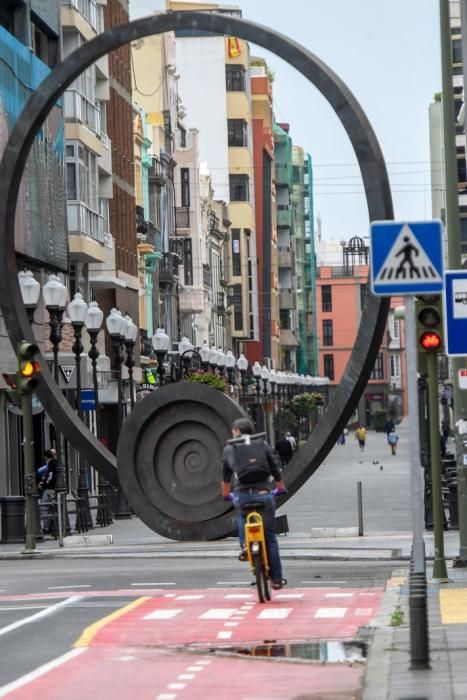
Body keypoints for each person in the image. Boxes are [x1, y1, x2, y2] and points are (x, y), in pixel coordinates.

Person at [221, 418, 287, 590]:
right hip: (264, 493)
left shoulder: (230, 448)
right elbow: (275, 468)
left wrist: (226, 494)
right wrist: (280, 488)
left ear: (236, 431)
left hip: (242, 495)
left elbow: (226, 475)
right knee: (270, 537)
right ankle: (277, 579)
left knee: (242, 513)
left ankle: (244, 544)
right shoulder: (262, 445)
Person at [37, 449, 58, 533]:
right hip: (52, 488)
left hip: (50, 489)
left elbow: (50, 477)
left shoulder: (51, 465)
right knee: (50, 508)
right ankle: (50, 526)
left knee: (44, 507)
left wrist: (43, 484)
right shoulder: (54, 463)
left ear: (45, 456)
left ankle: (46, 527)